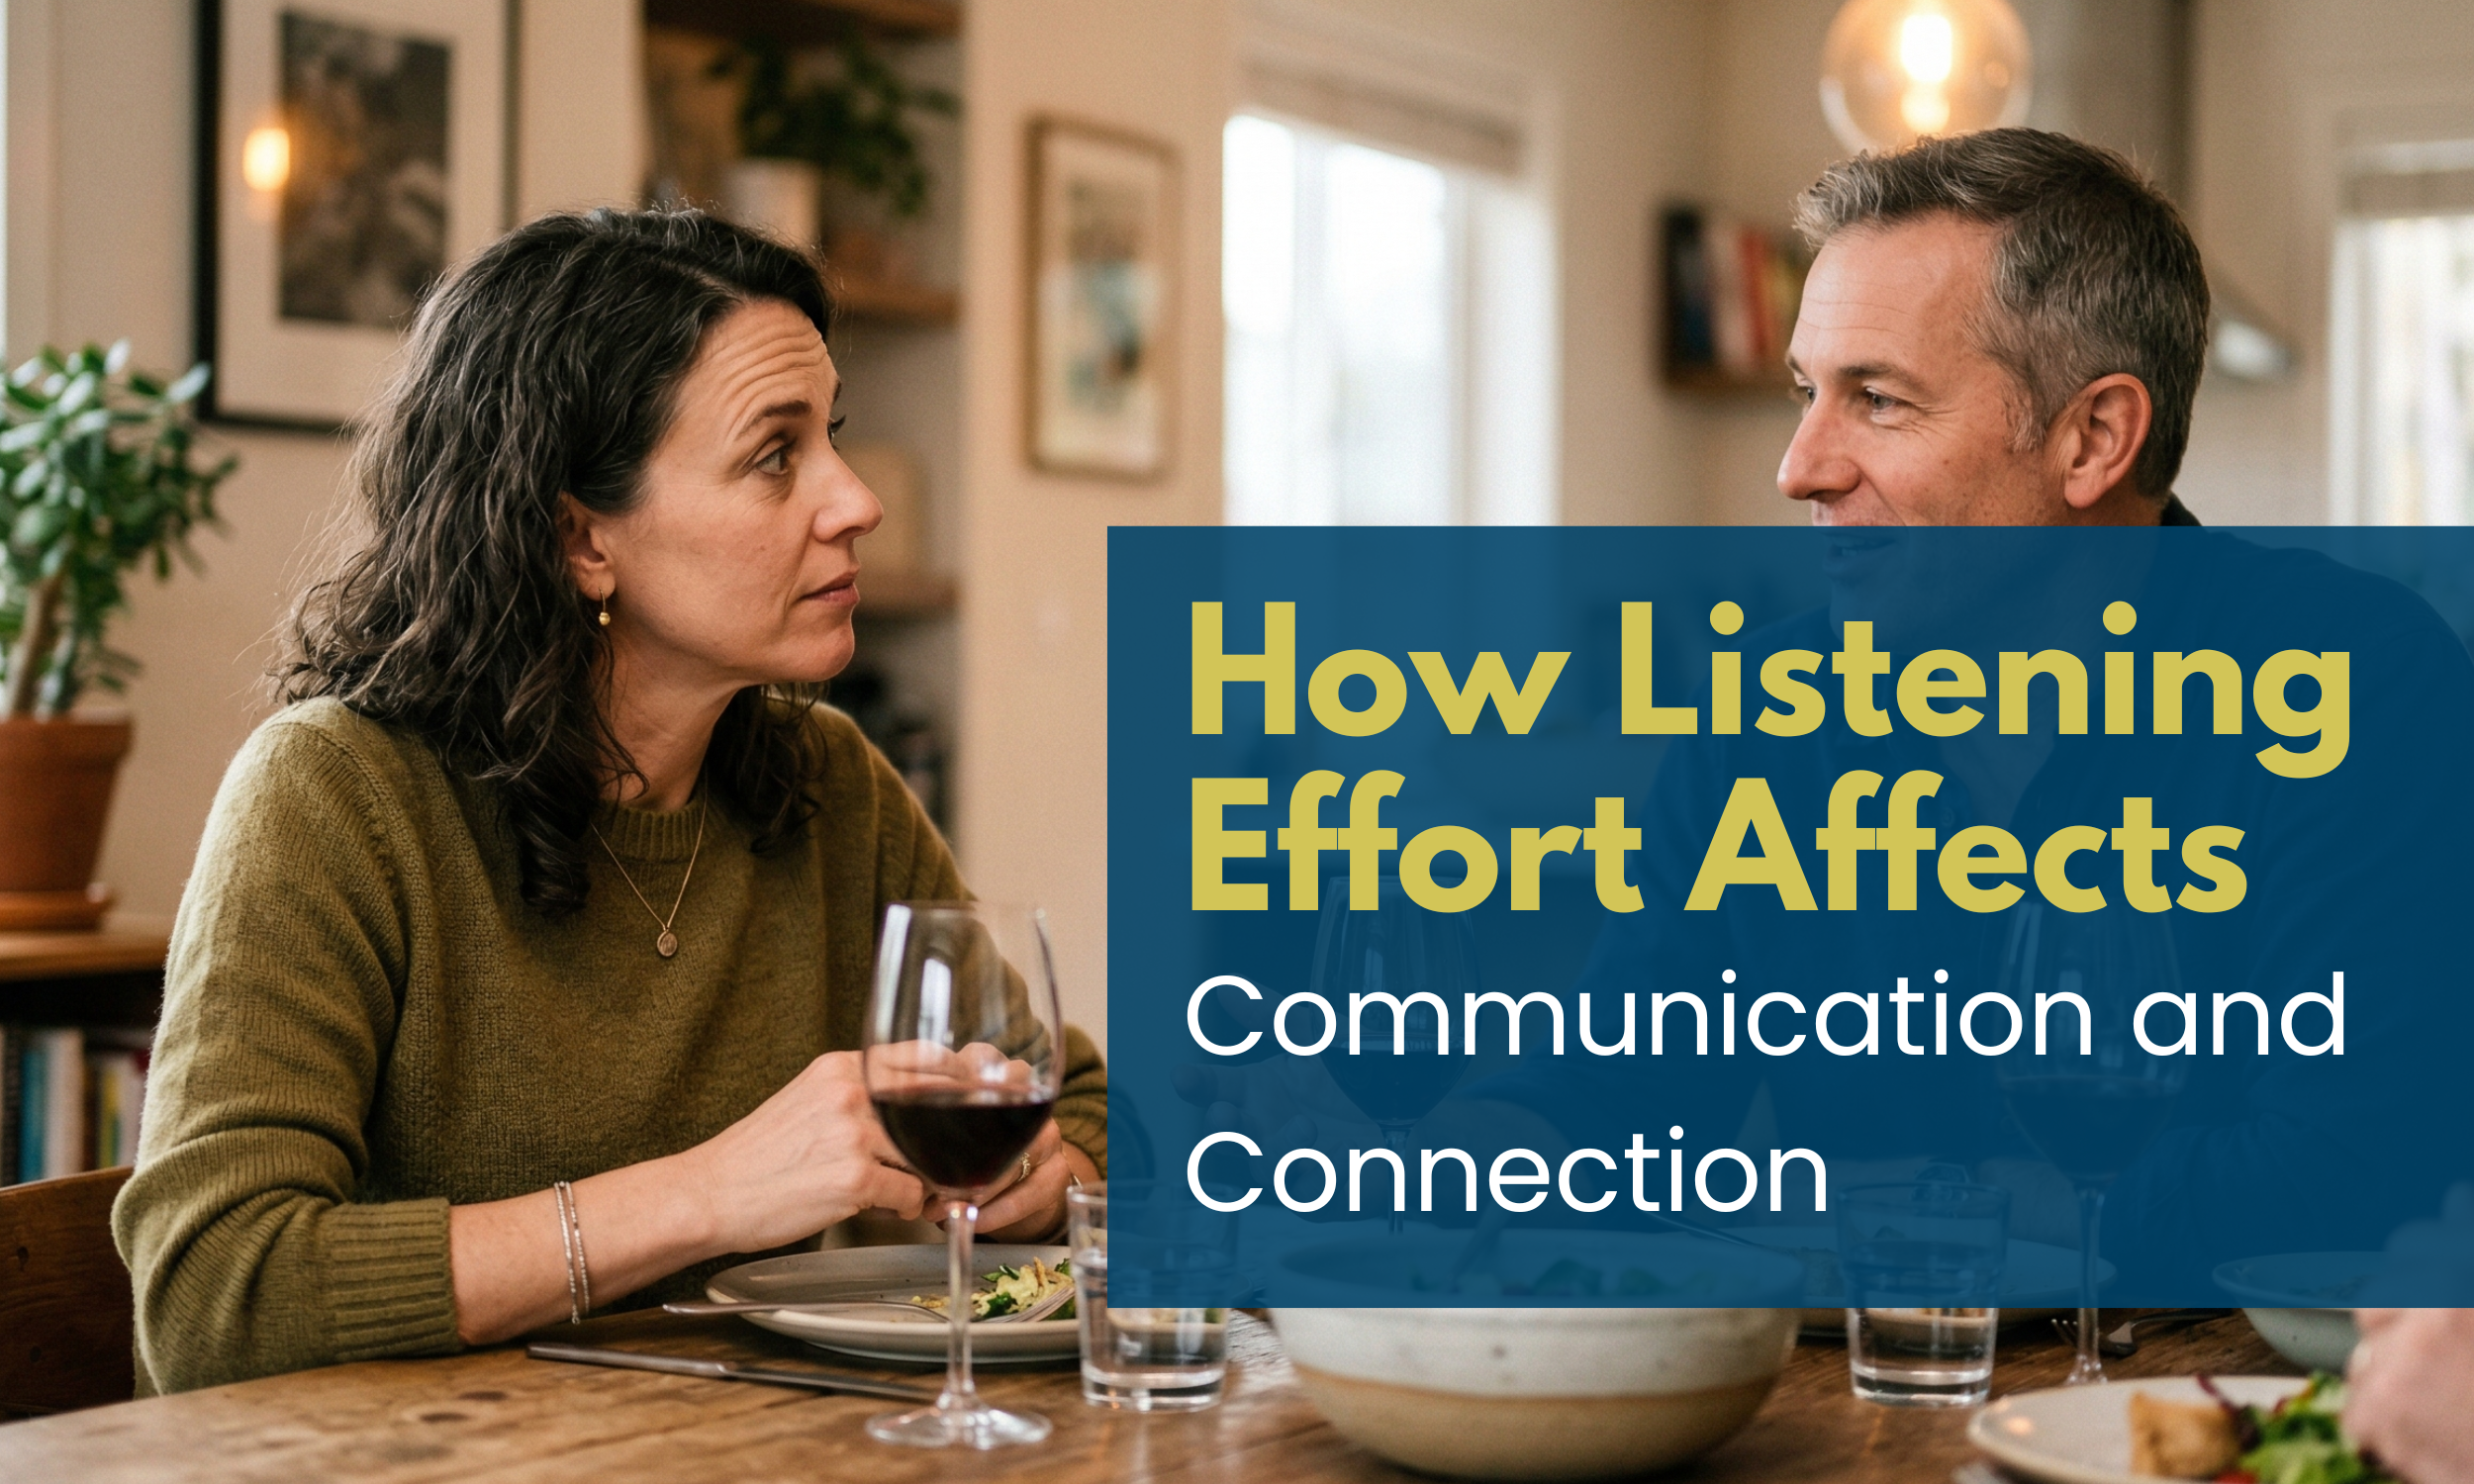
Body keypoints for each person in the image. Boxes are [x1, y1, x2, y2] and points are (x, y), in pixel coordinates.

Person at [113, 209, 1105, 1395]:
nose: (854, 502)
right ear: (582, 538)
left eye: (828, 439)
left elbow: (1085, 1110)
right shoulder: (335, 795)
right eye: (774, 456)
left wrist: (1047, 1183)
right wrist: (711, 1193)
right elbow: (214, 1294)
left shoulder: (831, 784)